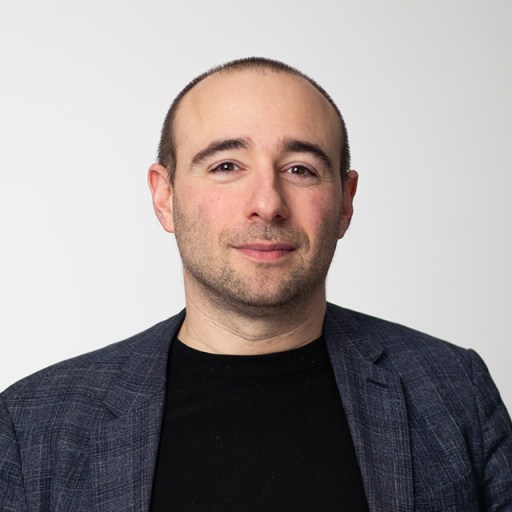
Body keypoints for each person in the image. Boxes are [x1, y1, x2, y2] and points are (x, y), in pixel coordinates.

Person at [1, 57, 511, 512]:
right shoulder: (34, 425)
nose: (267, 203)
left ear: (345, 201)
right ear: (164, 196)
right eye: (226, 165)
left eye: (300, 169)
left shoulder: (454, 390)